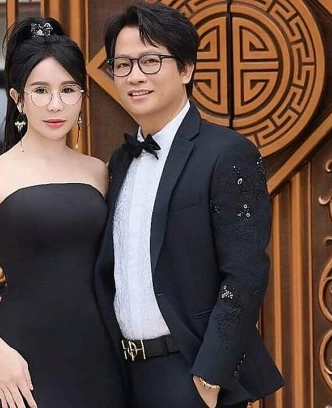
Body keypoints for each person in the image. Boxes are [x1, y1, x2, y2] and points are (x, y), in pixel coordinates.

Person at [94, 3, 285, 408]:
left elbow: (246, 274)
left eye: (150, 61)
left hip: (191, 374)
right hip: (126, 376)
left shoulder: (227, 153)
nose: (135, 76)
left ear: (185, 69)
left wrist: (210, 375)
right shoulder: (121, 160)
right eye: (122, 65)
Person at [0, 17, 126, 408]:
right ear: (18, 98)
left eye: (68, 90)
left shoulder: (98, 172)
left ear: (82, 96)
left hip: (100, 354)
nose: (55, 104)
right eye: (40, 90)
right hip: (21, 356)